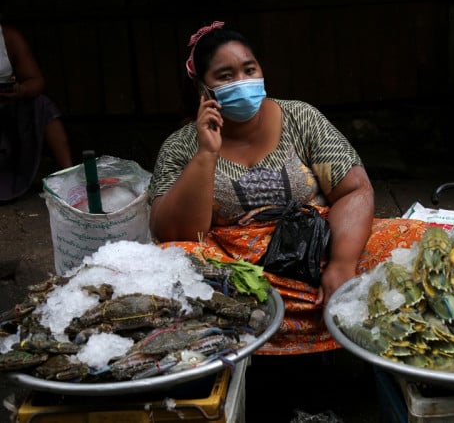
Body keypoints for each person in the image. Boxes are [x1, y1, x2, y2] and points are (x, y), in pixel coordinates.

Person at [148, 21, 429, 355]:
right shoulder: (182, 146)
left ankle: (288, 315)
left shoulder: (301, 118)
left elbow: (354, 190)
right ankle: (315, 315)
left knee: (415, 243)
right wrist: (206, 153)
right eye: (226, 76)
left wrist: (341, 264)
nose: (242, 82)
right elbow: (176, 234)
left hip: (318, 252)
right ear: (202, 90)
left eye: (249, 69)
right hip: (242, 274)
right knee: (174, 261)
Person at [0, 22, 72, 201]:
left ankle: (70, 177)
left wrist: (20, 90)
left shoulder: (9, 38)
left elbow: (36, 80)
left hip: (8, 108)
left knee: (43, 105)